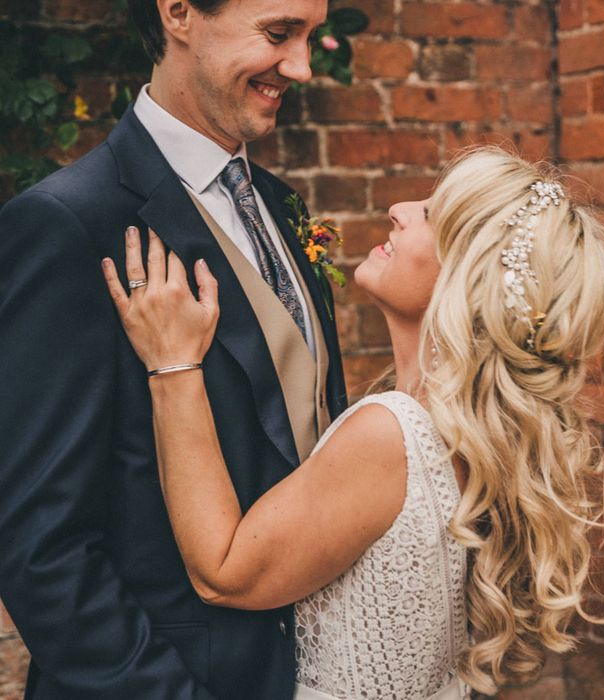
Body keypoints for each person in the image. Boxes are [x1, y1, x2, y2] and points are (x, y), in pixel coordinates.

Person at [101, 147, 604, 699]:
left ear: (468, 277)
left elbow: (223, 572)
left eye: (433, 214)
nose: (399, 208)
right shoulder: (475, 434)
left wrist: (173, 364)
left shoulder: (392, 434)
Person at [0, 0, 343, 697]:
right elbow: (42, 549)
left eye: (311, 37)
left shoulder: (281, 207)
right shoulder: (69, 225)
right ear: (179, 11)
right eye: (279, 34)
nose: (302, 66)